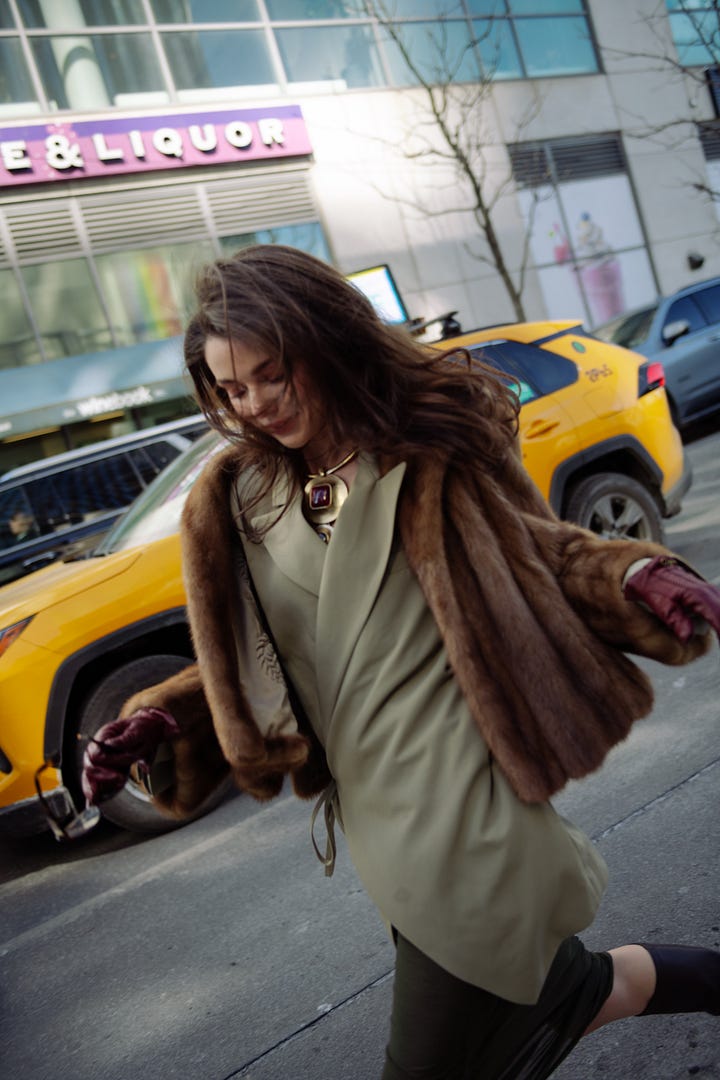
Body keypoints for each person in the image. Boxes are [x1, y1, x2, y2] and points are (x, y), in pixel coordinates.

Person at [82, 245, 720, 1079]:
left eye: (274, 374)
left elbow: (538, 553)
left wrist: (634, 571)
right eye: (232, 389)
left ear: (326, 342)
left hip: (466, 806)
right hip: (377, 818)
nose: (257, 404)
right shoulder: (242, 495)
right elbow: (281, 655)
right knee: (587, 990)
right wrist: (167, 719)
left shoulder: (431, 449)